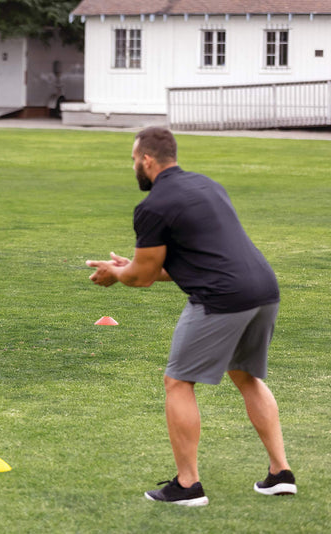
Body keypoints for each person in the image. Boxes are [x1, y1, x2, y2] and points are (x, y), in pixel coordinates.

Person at [86, 127, 295, 506]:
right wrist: (133, 265)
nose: (134, 166)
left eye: (134, 160)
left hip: (223, 298)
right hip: (264, 288)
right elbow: (185, 262)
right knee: (246, 377)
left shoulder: (153, 206)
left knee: (178, 381)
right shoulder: (207, 186)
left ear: (147, 160)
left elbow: (143, 278)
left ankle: (187, 485)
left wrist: (117, 272)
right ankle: (281, 472)